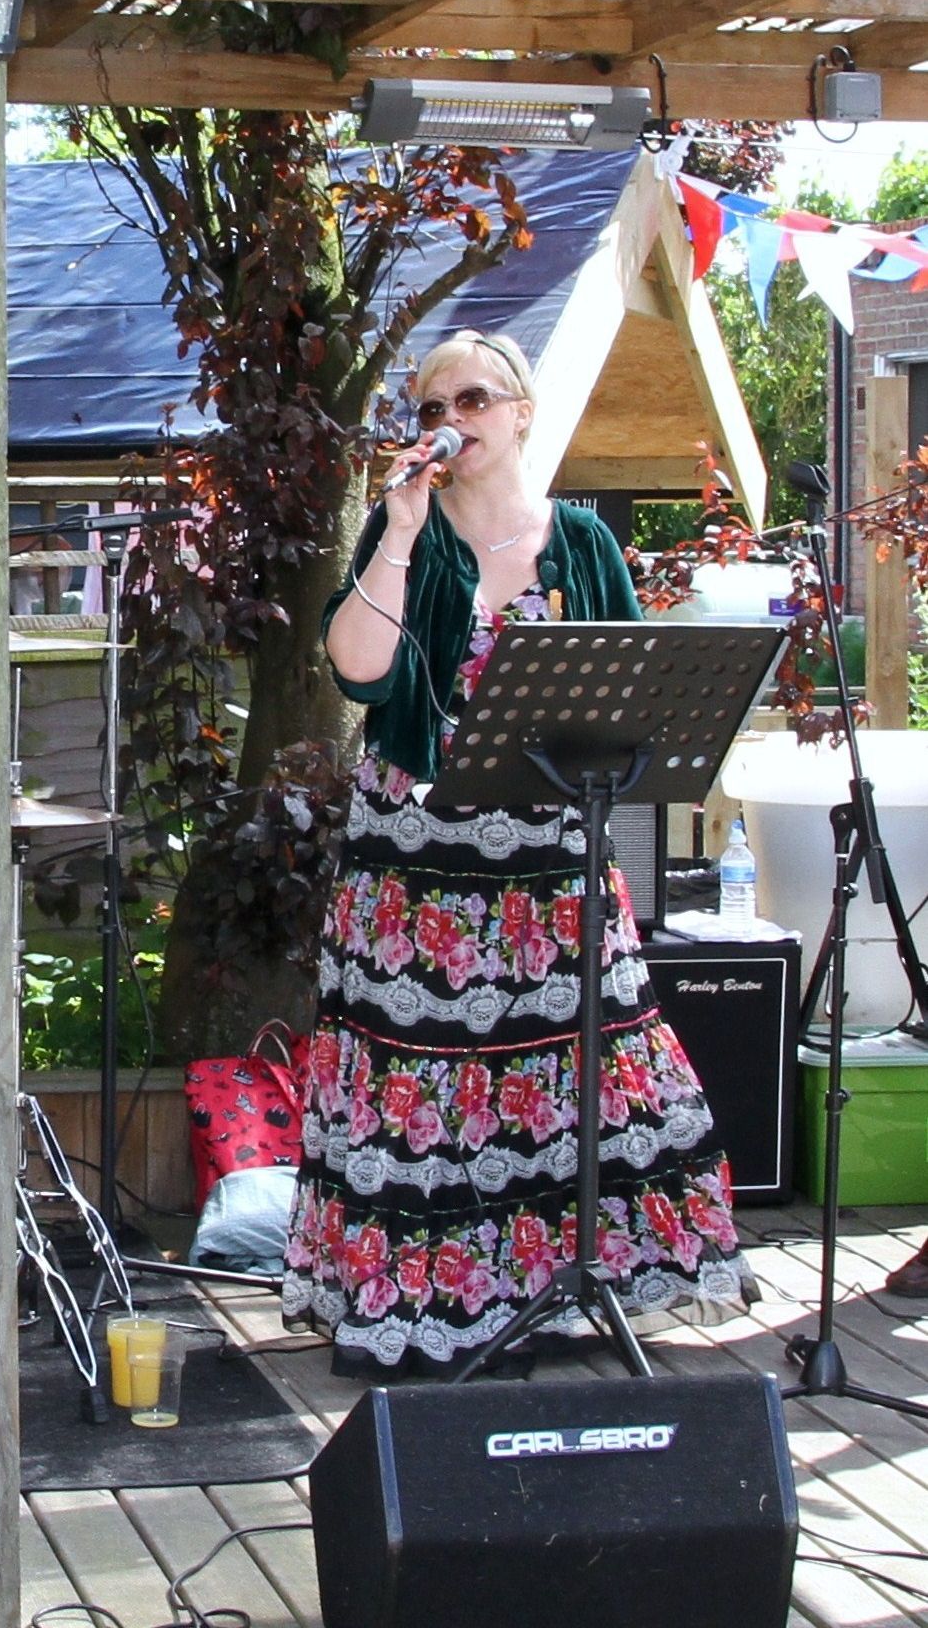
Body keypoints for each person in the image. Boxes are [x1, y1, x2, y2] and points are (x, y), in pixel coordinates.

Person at [293, 327, 752, 1375]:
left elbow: (633, 690)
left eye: (471, 399)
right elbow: (357, 671)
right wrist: (400, 526)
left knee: (559, 1072)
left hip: (550, 854)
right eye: (429, 407)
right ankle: (417, 1304)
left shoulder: (579, 541)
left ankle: (546, 1292)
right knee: (427, 1091)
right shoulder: (399, 531)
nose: (449, 420)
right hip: (418, 858)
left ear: (519, 412)